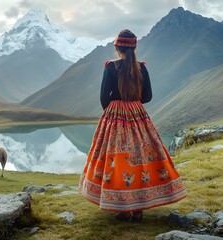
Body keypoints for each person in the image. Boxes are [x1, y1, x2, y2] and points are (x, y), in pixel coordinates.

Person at [78, 29, 187, 221]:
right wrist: (133, 102)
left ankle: (122, 207)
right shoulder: (142, 68)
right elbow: (148, 96)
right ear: (134, 47)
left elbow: (104, 97)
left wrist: (114, 107)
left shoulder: (111, 67)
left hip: (115, 117)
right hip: (138, 115)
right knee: (140, 158)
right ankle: (138, 208)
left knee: (117, 159)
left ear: (117, 47)